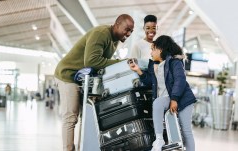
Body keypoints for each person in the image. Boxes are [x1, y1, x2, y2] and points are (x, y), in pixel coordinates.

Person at [54, 14, 135, 151]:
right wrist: (121, 62)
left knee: (85, 117)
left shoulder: (114, 40)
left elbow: (99, 65)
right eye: (126, 29)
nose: (128, 34)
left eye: (131, 31)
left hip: (82, 79)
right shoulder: (101, 33)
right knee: (71, 117)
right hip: (68, 74)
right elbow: (92, 62)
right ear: (117, 24)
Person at [128, 35, 196, 151]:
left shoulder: (175, 62)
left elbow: (180, 80)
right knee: (158, 103)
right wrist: (138, 70)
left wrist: (174, 99)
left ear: (160, 49)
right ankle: (159, 139)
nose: (151, 52)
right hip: (167, 98)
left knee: (186, 130)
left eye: (153, 49)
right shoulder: (155, 65)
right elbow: (150, 81)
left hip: (183, 99)